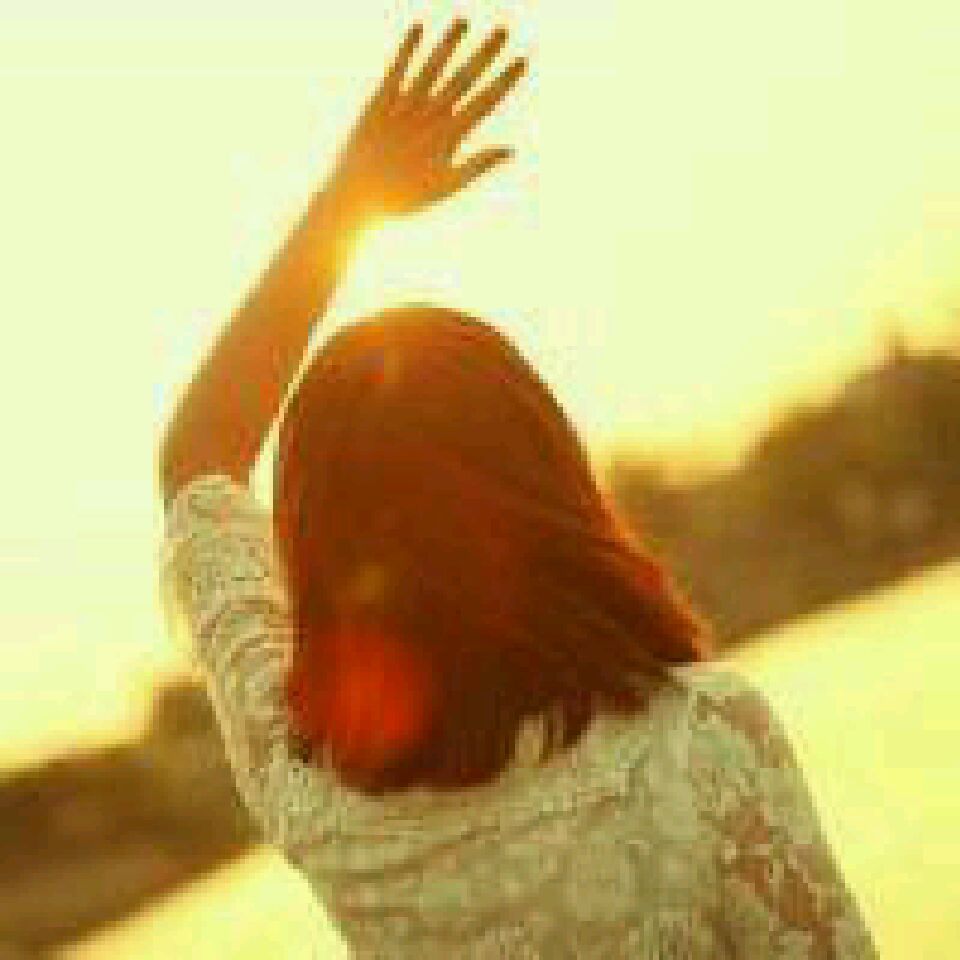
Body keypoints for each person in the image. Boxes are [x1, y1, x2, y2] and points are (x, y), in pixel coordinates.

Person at [157, 20, 879, 958]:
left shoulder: (320, 798)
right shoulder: (701, 741)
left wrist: (343, 207)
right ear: (548, 479)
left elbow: (198, 458)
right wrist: (352, 205)